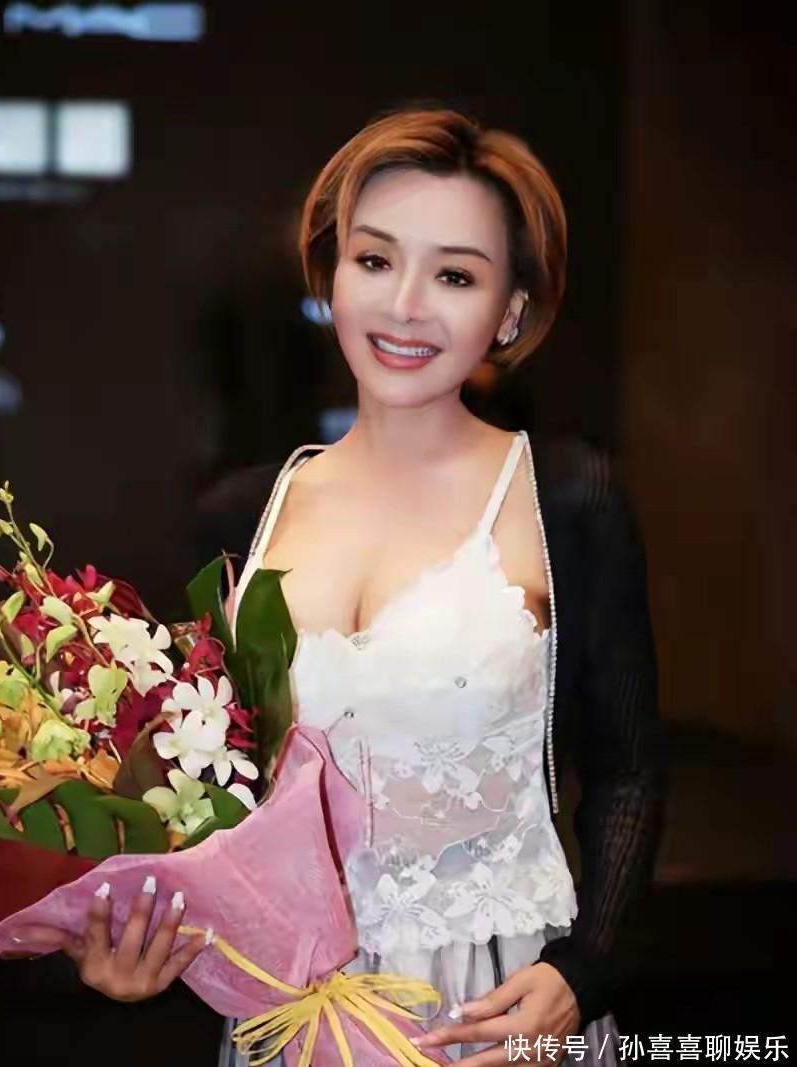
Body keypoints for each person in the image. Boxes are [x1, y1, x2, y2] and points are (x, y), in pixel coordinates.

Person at [195, 107, 668, 1065]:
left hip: (503, 1005)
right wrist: (141, 935)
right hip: (296, 1010)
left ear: (510, 312)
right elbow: (208, 795)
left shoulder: (565, 493)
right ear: (332, 275)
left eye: (454, 275)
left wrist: (586, 969)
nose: (405, 305)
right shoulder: (243, 513)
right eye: (375, 260)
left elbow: (627, 768)